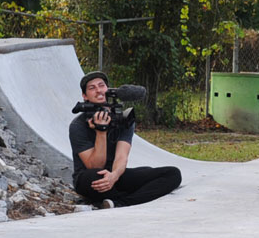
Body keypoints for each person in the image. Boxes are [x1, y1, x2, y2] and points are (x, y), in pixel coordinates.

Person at [69, 71, 182, 209]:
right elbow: (95, 165)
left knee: (172, 174)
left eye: (101, 85)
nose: (98, 90)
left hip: (115, 175)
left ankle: (119, 202)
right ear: (84, 96)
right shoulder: (78, 125)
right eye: (92, 88)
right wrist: (101, 132)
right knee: (96, 177)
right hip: (90, 178)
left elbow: (121, 157)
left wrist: (114, 175)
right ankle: (128, 197)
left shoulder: (123, 119)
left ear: (108, 89)